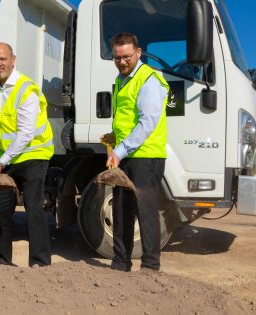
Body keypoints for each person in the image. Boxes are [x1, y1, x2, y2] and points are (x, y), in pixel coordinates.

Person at [0, 42, 54, 266]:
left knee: (33, 208)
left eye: (3, 59)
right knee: (0, 208)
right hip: (8, 157)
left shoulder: (26, 88)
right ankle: (2, 261)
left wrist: (0, 164)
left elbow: (26, 134)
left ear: (13, 60)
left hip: (34, 155)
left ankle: (40, 263)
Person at [101, 33, 169, 272]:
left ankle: (150, 266)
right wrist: (114, 137)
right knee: (121, 210)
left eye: (127, 57)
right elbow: (126, 119)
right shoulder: (121, 80)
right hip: (127, 154)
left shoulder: (149, 79)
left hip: (146, 156)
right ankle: (120, 262)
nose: (122, 62)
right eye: (117, 57)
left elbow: (147, 122)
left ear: (138, 53)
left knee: (145, 210)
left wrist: (119, 150)